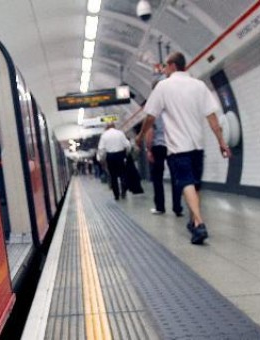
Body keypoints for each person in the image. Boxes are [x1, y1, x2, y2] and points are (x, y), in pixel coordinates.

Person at [135, 52, 231, 244]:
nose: (163, 69)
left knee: (186, 182)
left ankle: (200, 223)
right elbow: (213, 118)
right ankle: (194, 223)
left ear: (171, 65)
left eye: (165, 66)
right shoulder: (199, 85)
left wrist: (139, 137)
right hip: (197, 145)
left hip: (178, 147)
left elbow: (151, 117)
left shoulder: (163, 87)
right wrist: (222, 142)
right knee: (195, 185)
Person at [146, 113, 183, 216]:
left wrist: (148, 150)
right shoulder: (173, 113)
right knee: (175, 178)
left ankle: (160, 207)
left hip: (158, 147)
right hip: (173, 147)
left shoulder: (154, 114)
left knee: (157, 179)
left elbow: (150, 132)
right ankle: (177, 208)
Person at [98, 122, 131, 200]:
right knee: (123, 174)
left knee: (113, 176)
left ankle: (116, 195)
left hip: (110, 157)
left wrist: (102, 159)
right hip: (120, 155)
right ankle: (123, 191)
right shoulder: (120, 133)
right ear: (114, 126)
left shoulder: (104, 135)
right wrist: (126, 154)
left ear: (107, 127)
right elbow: (128, 145)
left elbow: (101, 149)